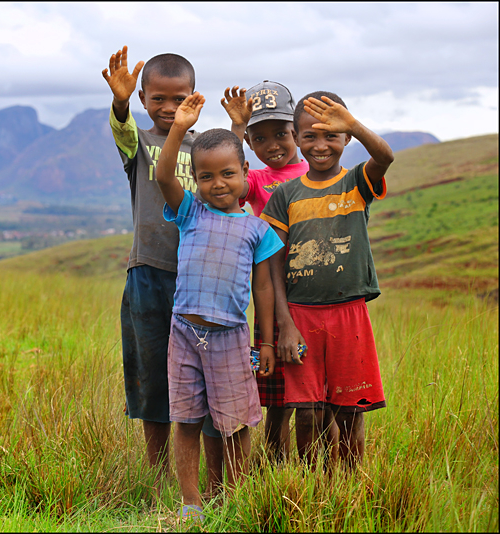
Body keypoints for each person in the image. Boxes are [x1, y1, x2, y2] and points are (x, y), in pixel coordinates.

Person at [155, 92, 283, 518]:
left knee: (236, 424)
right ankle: (191, 503)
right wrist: (178, 130)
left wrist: (265, 342)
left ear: (246, 173)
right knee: (187, 420)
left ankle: (234, 498)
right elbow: (162, 176)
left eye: (228, 173)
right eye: (206, 176)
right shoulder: (191, 212)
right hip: (185, 333)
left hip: (231, 337)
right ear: (196, 180)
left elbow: (264, 289)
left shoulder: (256, 229)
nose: (218, 184)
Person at [260, 91, 394, 470]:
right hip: (300, 318)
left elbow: (385, 156)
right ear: (296, 138)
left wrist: (351, 122)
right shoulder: (285, 195)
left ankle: (348, 489)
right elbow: (273, 266)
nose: (320, 145)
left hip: (349, 315)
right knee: (307, 413)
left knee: (351, 411)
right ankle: (313, 488)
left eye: (332, 135)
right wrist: (283, 324)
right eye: (309, 136)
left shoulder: (357, 182)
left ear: (346, 139)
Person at [102, 46, 215, 487]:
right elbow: (122, 128)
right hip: (149, 273)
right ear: (145, 99)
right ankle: (156, 472)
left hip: (200, 278)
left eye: (178, 98)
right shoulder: (140, 146)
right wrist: (120, 101)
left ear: (194, 97)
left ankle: (208, 476)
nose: (168, 108)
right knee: (152, 374)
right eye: (158, 99)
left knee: (202, 375)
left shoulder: (205, 150)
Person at [220, 80, 340, 465]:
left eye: (281, 134)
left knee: (319, 396)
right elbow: (230, 181)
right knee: (275, 396)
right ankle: (276, 470)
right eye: (260, 138)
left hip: (315, 294)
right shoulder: (254, 180)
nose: (272, 144)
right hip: (272, 295)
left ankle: (329, 470)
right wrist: (237, 129)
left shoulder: (315, 171)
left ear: (297, 134)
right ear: (251, 146)